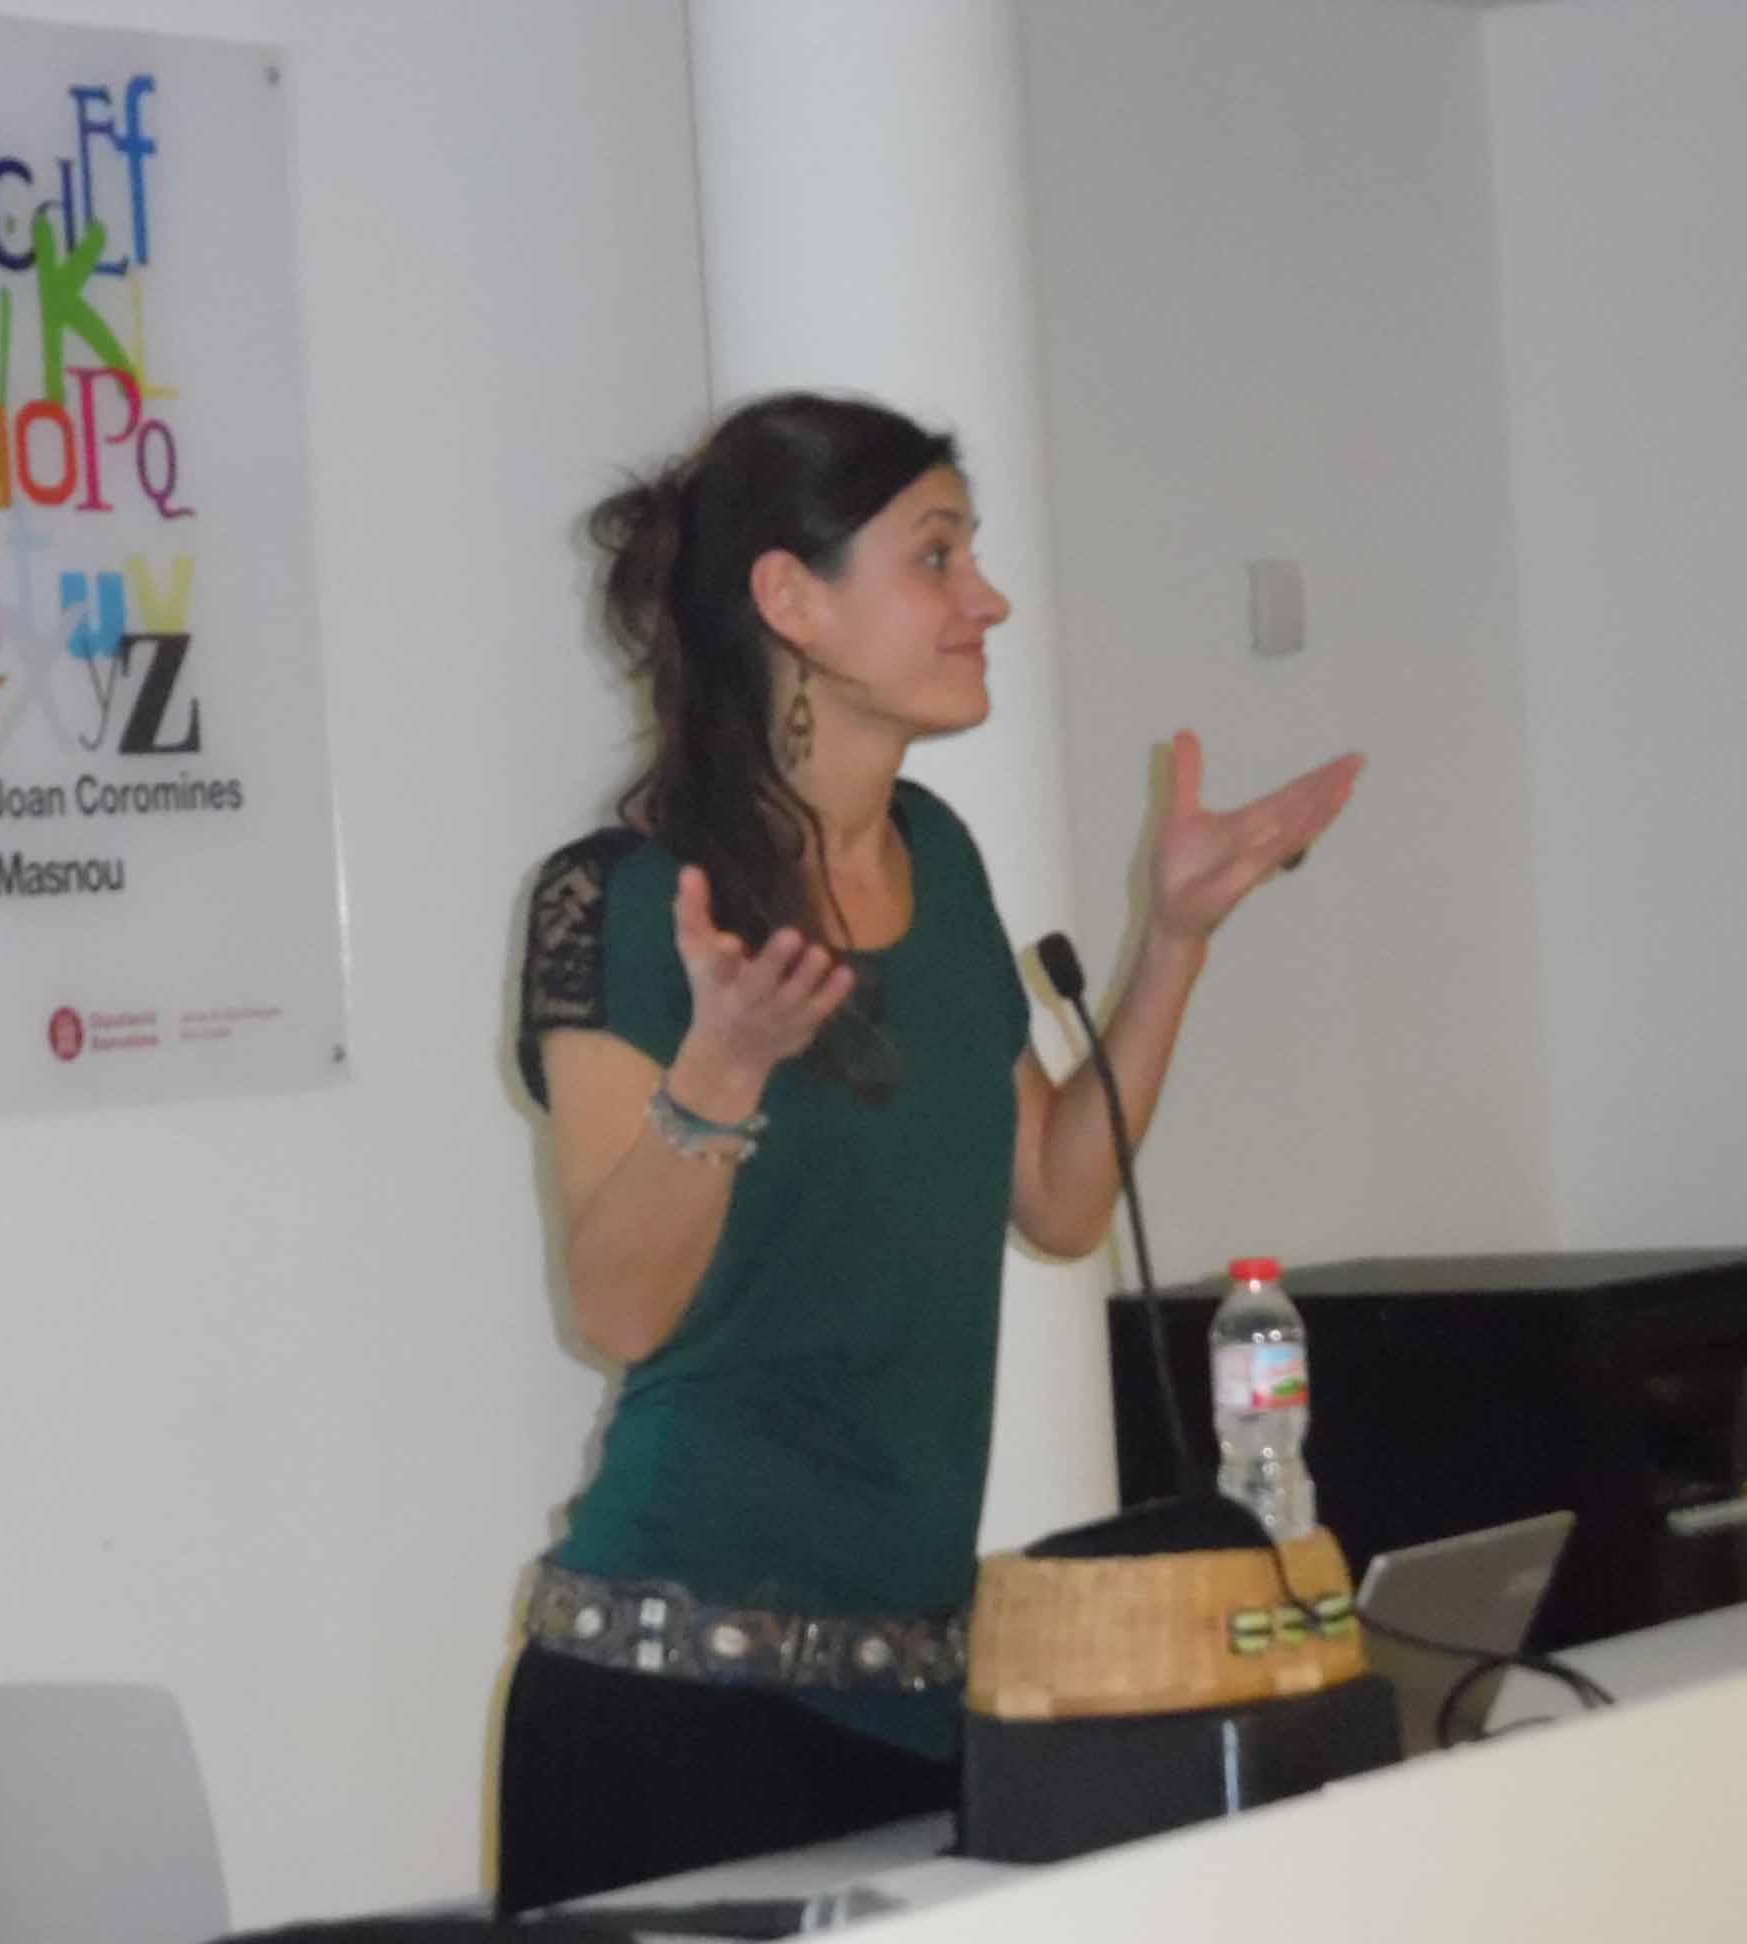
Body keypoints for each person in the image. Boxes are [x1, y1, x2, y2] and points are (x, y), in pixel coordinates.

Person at [499, 392, 1361, 1914]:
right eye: (937, 555)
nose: (989, 601)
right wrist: (723, 1067)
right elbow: (618, 1311)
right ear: (792, 599)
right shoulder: (627, 901)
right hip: (674, 1710)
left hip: (918, 1703)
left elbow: (1062, 1196)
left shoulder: (938, 858)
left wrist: (1172, 943)